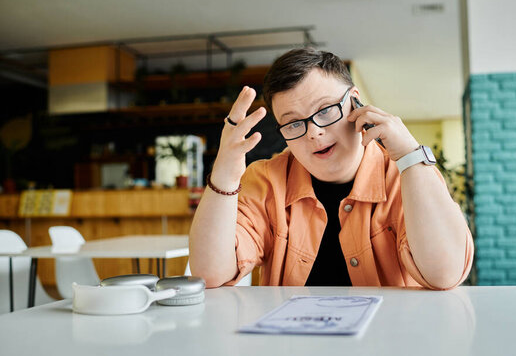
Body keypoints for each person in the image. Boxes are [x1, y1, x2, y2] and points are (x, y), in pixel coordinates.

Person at [189, 48, 473, 289]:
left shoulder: (407, 174)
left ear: (356, 102)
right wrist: (224, 174)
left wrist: (411, 156)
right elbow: (209, 274)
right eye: (294, 123)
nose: (313, 133)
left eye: (325, 110)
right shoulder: (266, 180)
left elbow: (444, 274)